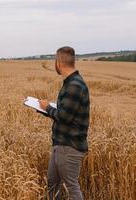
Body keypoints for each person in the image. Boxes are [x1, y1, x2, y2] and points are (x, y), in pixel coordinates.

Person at [38, 46, 90, 200]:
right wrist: (45, 110)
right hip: (61, 144)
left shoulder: (74, 86)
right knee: (53, 183)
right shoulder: (71, 82)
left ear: (59, 63)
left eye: (55, 60)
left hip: (69, 146)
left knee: (72, 188)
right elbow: (66, 113)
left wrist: (47, 107)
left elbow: (65, 117)